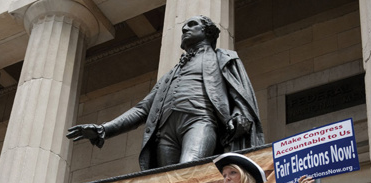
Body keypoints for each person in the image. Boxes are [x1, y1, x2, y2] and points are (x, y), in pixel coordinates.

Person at [67, 15, 263, 170]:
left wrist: (239, 115)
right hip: (165, 133)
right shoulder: (171, 74)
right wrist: (104, 129)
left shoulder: (223, 58)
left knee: (186, 171)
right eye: (183, 27)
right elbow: (142, 109)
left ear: (207, 32)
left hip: (200, 121)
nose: (185, 29)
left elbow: (241, 95)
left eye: (192, 25)